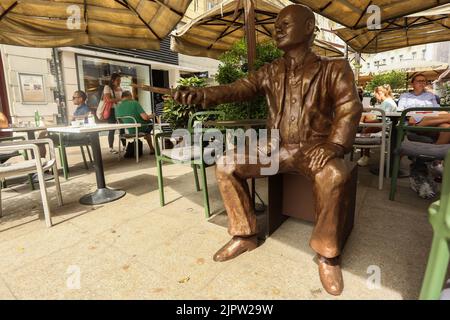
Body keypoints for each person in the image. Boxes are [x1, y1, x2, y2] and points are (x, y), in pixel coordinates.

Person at [173, 4, 362, 296]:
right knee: (226, 163)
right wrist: (200, 94)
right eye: (276, 25)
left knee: (334, 175)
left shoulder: (334, 68)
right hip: (276, 148)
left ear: (309, 26)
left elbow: (349, 108)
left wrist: (335, 143)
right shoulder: (270, 71)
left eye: (285, 23)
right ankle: (244, 234)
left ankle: (327, 254)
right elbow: (236, 88)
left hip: (315, 149)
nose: (277, 29)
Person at [38, 90, 91, 158]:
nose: (72, 99)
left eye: (74, 97)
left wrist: (74, 118)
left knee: (41, 139)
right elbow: (71, 123)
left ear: (80, 99)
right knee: (41, 135)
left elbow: (88, 116)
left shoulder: (85, 109)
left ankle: (42, 163)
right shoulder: (79, 109)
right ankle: (42, 162)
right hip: (70, 134)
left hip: (74, 136)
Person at [357, 84, 397, 166]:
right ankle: (365, 155)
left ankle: (366, 156)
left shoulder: (387, 103)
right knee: (365, 122)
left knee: (366, 129)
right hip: (385, 124)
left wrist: (366, 123)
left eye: (376, 95)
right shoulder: (387, 102)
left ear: (380, 93)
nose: (375, 97)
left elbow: (383, 119)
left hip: (386, 126)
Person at [103, 73, 125, 154]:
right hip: (111, 111)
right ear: (112, 80)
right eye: (118, 80)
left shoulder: (120, 89)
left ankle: (124, 146)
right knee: (112, 129)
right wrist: (120, 99)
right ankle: (111, 147)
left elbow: (122, 100)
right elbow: (108, 99)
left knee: (122, 128)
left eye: (120, 80)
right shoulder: (107, 87)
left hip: (119, 110)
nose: (119, 82)